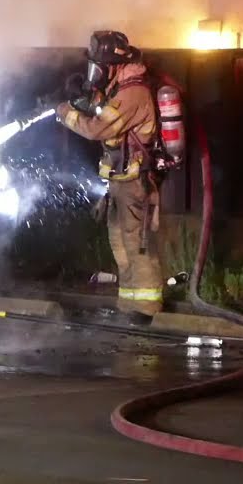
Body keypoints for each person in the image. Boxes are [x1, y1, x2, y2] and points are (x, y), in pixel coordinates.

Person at [55, 30, 163, 326]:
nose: (95, 72)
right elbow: (102, 110)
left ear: (112, 65)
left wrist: (65, 112)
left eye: (98, 66)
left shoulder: (132, 93)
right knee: (120, 243)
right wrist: (81, 99)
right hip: (119, 181)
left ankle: (148, 309)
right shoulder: (119, 87)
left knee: (137, 245)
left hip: (134, 183)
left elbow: (97, 129)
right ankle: (129, 305)